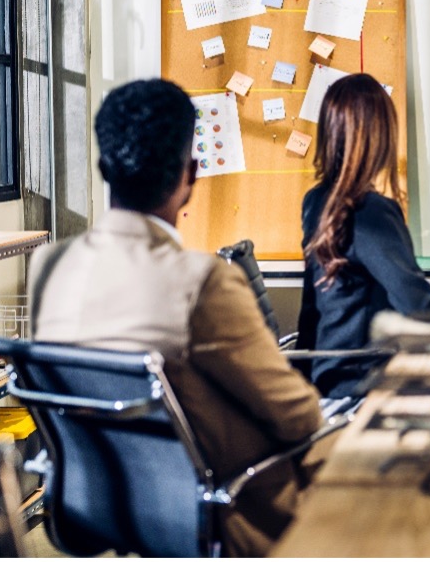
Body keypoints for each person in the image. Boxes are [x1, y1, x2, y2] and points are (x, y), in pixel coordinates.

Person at [28, 79, 326, 557]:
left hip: (103, 507)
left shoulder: (50, 268)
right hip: (226, 510)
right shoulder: (201, 281)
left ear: (106, 168)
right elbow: (300, 416)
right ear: (191, 172)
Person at [301, 73, 430, 399]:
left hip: (328, 378)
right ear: (379, 135)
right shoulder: (371, 212)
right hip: (364, 383)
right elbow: (417, 308)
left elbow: (313, 307)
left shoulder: (316, 202)